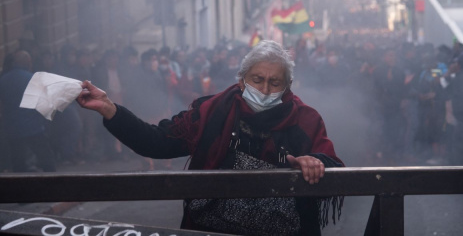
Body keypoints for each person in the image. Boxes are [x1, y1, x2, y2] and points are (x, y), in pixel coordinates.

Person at [77, 40, 344, 235]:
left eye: (274, 83)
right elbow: (156, 141)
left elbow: (331, 164)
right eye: (257, 79)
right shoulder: (210, 111)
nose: (264, 89)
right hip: (210, 230)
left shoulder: (306, 120)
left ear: (287, 86)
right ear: (241, 81)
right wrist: (110, 109)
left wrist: (314, 162)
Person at [0, 50, 56, 172]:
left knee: (18, 161)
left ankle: (20, 186)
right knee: (46, 158)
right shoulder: (33, 79)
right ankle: (53, 183)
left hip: (12, 127)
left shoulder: (3, 80)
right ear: (28, 63)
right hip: (33, 127)